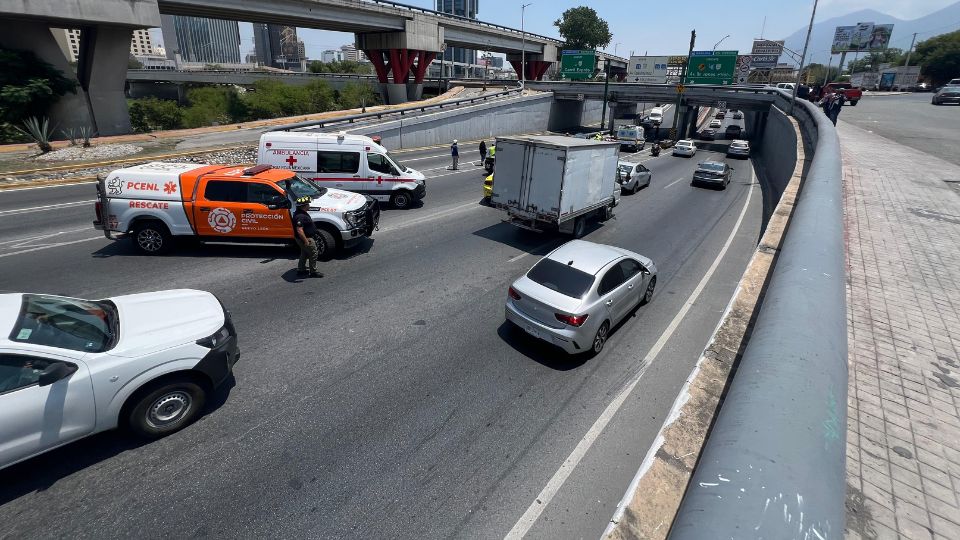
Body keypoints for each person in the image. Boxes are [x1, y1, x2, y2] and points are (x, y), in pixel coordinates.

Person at [293, 196, 322, 278]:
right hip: (306, 238)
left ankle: (301, 270)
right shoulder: (300, 216)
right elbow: (299, 230)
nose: (309, 205)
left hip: (303, 238)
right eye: (308, 204)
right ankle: (313, 272)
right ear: (303, 206)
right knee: (313, 253)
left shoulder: (300, 213)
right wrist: (306, 241)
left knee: (305, 253)